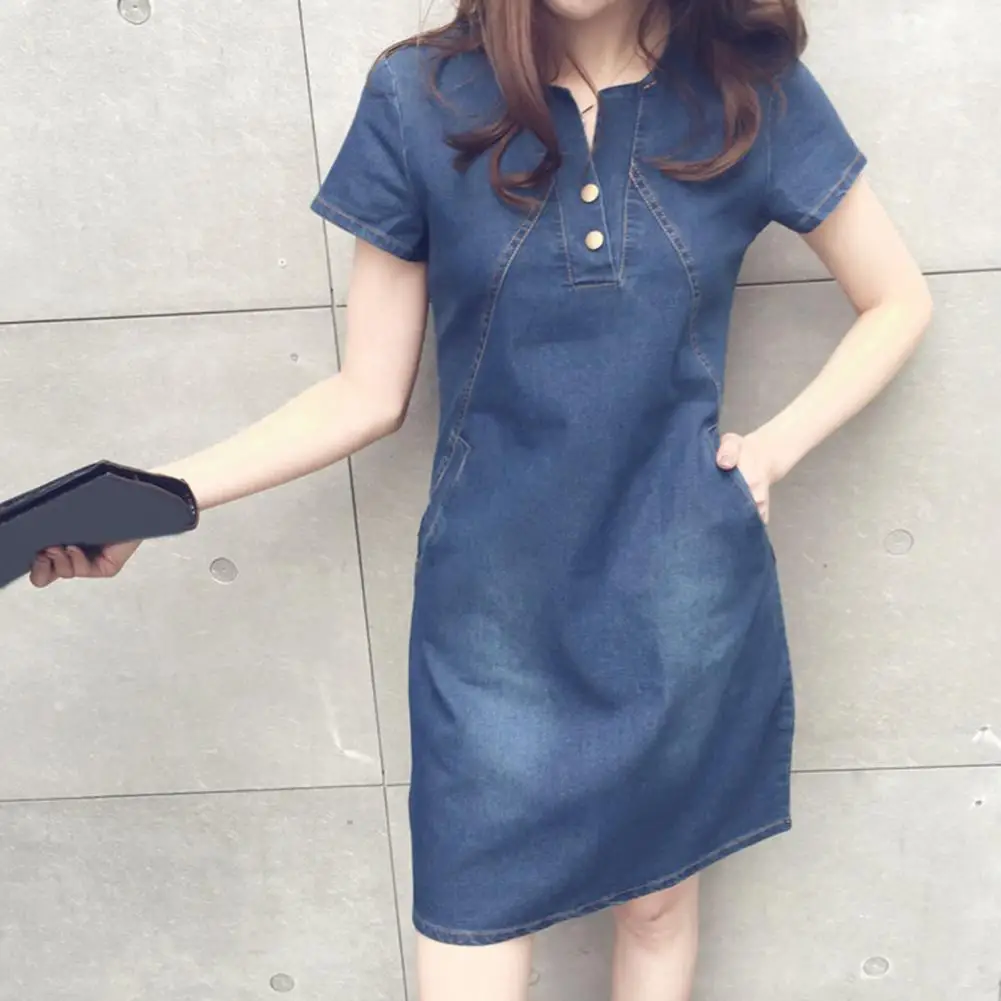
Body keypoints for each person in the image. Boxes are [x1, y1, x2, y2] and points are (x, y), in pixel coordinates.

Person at [32, 0, 932, 998]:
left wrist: (772, 450)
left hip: (675, 596)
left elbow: (897, 300)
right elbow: (366, 392)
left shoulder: (741, 87)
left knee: (656, 907)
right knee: (471, 923)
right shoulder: (418, 97)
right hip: (487, 614)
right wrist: (153, 498)